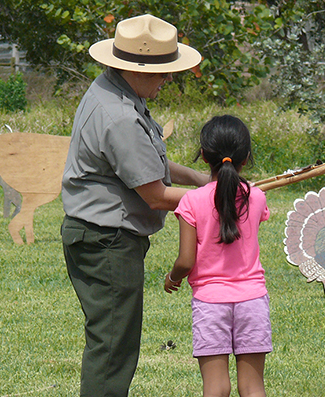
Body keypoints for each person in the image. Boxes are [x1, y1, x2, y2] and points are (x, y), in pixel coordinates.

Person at [61, 14, 209, 397]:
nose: (168, 80)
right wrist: (217, 196)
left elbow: (147, 162)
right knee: (113, 348)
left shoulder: (115, 91)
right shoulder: (120, 116)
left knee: (113, 343)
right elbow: (156, 195)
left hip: (104, 236)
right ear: (137, 71)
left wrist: (198, 178)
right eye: (163, 74)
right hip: (107, 240)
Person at [164, 115, 272, 397]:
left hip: (210, 304)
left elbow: (186, 261)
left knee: (216, 388)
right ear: (246, 158)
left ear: (202, 156)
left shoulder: (190, 201)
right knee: (252, 387)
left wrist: (172, 277)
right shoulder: (257, 197)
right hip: (253, 300)